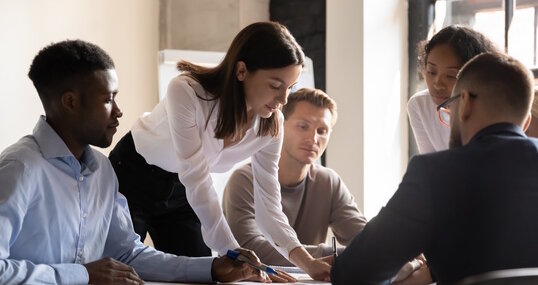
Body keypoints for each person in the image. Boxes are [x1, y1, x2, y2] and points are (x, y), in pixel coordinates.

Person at [0, 39, 272, 284]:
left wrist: (212, 268)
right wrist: (82, 275)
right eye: (108, 99)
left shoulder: (102, 171)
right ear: (70, 102)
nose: (119, 112)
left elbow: (127, 254)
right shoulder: (19, 168)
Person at [108, 21, 331, 280]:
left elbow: (269, 208)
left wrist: (308, 262)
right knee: (121, 272)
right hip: (134, 175)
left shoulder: (271, 125)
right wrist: (234, 253)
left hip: (182, 192)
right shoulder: (187, 91)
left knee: (204, 276)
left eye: (290, 88)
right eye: (275, 85)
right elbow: (196, 176)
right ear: (241, 71)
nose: (283, 100)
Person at [331, 52, 538, 285]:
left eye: (449, 106)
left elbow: (353, 274)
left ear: (465, 103)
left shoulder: (435, 174)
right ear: (526, 121)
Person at [222, 88, 367, 266]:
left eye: (322, 130)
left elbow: (365, 238)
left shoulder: (328, 182)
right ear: (280, 125)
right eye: (303, 126)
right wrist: (334, 255)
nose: (314, 138)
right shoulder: (244, 180)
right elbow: (250, 248)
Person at [408, 25, 498, 153]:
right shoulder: (420, 105)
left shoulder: (492, 109)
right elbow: (432, 165)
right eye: (432, 71)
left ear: (476, 75)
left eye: (451, 75)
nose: (438, 84)